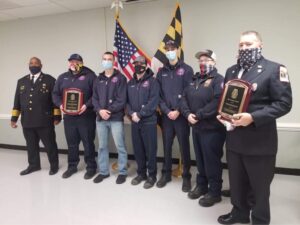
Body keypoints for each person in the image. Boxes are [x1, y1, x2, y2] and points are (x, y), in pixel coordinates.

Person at [217, 31, 292, 225]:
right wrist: (223, 115)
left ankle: (259, 220)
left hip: (259, 142)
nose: (244, 48)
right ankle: (239, 213)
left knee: (259, 188)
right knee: (237, 182)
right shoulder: (231, 71)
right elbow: (227, 100)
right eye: (241, 45)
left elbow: (284, 103)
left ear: (260, 45)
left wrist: (253, 117)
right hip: (234, 140)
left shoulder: (275, 69)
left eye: (249, 44)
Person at [181, 50, 226, 207]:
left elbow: (218, 102)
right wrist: (187, 114)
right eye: (200, 59)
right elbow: (183, 98)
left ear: (214, 62)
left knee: (211, 161)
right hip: (196, 127)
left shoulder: (219, 80)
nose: (202, 62)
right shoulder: (194, 79)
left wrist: (199, 115)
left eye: (206, 59)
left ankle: (214, 192)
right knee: (200, 160)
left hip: (212, 128)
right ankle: (202, 186)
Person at [11, 57, 61, 176]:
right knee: (31, 145)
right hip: (27, 120)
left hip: (45, 120)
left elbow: (55, 101)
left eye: (36, 63)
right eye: (31, 63)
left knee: (50, 144)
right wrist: (14, 119)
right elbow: (17, 102)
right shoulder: (21, 81)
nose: (33, 65)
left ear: (41, 65)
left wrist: (57, 117)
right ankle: (34, 165)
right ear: (28, 65)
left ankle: (54, 166)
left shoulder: (50, 80)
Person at [156, 40, 193, 192]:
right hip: (167, 116)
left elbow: (188, 92)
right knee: (166, 146)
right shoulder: (161, 71)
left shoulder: (187, 69)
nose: (170, 51)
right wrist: (166, 110)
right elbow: (158, 94)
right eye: (167, 49)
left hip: (181, 115)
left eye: (172, 48)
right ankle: (166, 174)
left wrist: (178, 110)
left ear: (178, 50)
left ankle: (186, 176)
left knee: (184, 147)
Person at [52, 54, 97, 179]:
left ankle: (91, 168)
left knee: (88, 143)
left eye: (76, 61)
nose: (73, 63)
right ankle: (72, 167)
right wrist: (60, 104)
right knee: (72, 143)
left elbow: (97, 95)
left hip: (86, 116)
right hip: (69, 117)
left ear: (81, 63)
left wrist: (87, 105)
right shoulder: (62, 77)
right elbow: (55, 94)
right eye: (71, 61)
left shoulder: (91, 76)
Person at [92, 51, 128, 184]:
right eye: (104, 59)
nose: (107, 61)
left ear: (113, 62)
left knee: (120, 146)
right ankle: (103, 172)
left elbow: (122, 99)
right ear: (102, 61)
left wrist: (108, 111)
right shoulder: (98, 79)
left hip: (116, 118)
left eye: (109, 59)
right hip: (100, 119)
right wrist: (100, 110)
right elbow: (94, 98)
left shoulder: (120, 78)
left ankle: (122, 172)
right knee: (102, 146)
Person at [127, 56, 159, 189]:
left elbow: (153, 101)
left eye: (141, 63)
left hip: (148, 121)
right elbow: (126, 102)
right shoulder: (130, 83)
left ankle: (151, 175)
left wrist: (140, 114)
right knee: (138, 149)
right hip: (135, 121)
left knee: (150, 150)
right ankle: (141, 173)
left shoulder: (153, 81)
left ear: (145, 66)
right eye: (136, 63)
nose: (138, 65)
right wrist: (132, 114)